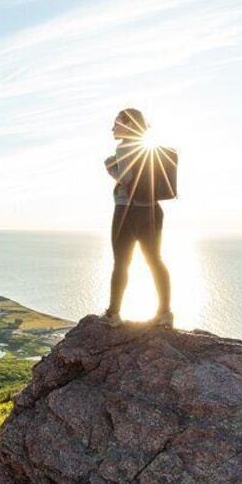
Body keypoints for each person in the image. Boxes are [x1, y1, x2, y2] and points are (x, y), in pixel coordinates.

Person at [99, 108, 172, 328]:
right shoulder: (151, 150)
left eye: (117, 123)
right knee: (155, 261)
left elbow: (126, 177)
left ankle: (113, 314)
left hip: (127, 212)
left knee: (121, 263)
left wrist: (110, 166)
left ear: (128, 125)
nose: (112, 128)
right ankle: (165, 313)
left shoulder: (124, 148)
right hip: (152, 211)